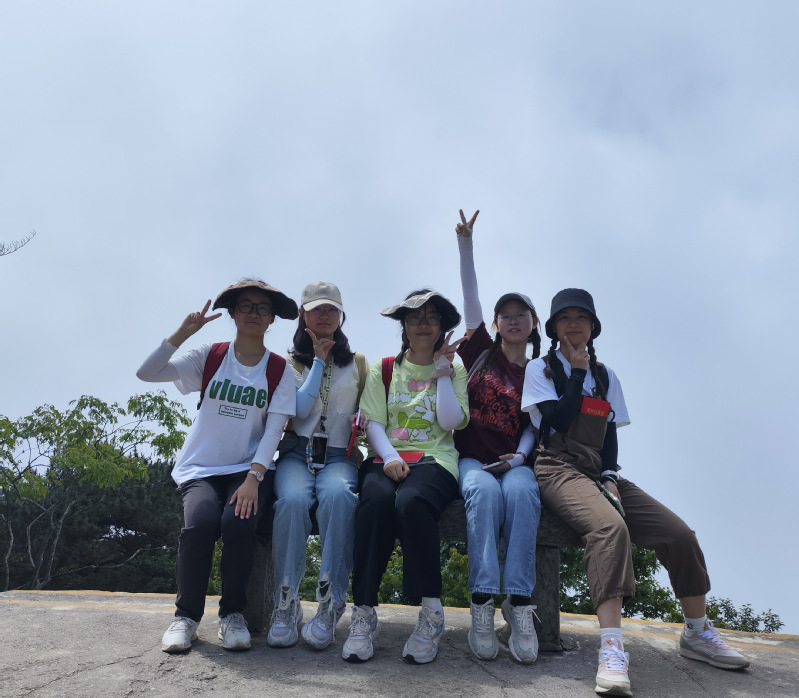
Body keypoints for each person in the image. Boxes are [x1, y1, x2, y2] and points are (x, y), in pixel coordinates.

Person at [522, 288, 750, 696]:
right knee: (610, 529)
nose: (573, 324)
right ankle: (612, 648)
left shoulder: (606, 376)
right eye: (565, 318)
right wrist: (576, 373)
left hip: (598, 471)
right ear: (553, 328)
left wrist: (610, 475)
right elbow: (557, 419)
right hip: (557, 467)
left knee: (678, 534)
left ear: (593, 326)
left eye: (581, 317)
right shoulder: (541, 369)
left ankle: (697, 631)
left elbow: (608, 433)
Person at [136, 279, 297, 653]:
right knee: (201, 524)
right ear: (233, 313)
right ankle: (186, 618)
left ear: (272, 319)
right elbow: (147, 373)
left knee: (238, 522)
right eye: (246, 306)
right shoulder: (210, 355)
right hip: (201, 468)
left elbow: (275, 428)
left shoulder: (279, 369)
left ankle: (232, 615)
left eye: (262, 308)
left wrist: (254, 477)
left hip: (248, 468)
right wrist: (182, 334)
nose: (254, 313)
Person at [342, 290, 469, 664]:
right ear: (404, 325)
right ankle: (363, 611)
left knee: (411, 502)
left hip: (435, 460)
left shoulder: (455, 369)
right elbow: (373, 423)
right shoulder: (383, 369)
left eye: (432, 317)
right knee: (375, 503)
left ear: (442, 325)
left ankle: (431, 611)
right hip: (386, 456)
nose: (423, 324)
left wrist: (442, 372)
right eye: (414, 317)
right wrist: (391, 457)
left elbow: (450, 421)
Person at [453, 209, 543, 663]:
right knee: (483, 495)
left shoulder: (542, 372)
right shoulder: (481, 353)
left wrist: (519, 460)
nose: (511, 320)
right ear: (495, 323)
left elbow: (534, 426)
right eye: (504, 315)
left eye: (520, 315)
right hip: (472, 458)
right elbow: (471, 298)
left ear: (533, 323)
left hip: (516, 461)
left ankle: (520, 603)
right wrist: (466, 244)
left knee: (524, 495)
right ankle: (483, 601)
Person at [268, 282, 368, 650]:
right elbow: (296, 410)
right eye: (316, 309)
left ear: (341, 315)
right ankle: (286, 601)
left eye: (331, 309)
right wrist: (318, 361)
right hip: (297, 452)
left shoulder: (359, 363)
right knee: (292, 502)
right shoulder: (286, 363)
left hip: (340, 455)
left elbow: (370, 410)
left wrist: (365, 421)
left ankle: (331, 601)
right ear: (302, 314)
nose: (324, 315)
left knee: (340, 497)